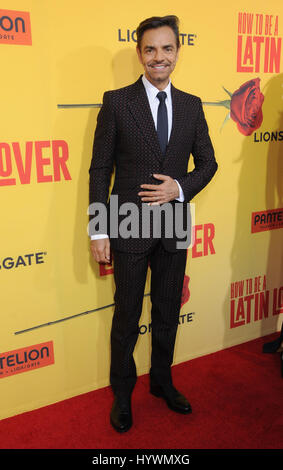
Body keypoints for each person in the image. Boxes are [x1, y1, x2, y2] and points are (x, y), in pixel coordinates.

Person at [89, 15, 218, 432]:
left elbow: (209, 163)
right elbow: (99, 170)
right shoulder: (117, 101)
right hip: (127, 225)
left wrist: (178, 188)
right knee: (126, 315)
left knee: (166, 311)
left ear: (178, 52)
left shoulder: (192, 105)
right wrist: (97, 229)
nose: (158, 57)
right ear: (140, 53)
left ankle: (162, 381)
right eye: (150, 49)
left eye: (167, 48)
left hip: (175, 224)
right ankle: (122, 393)